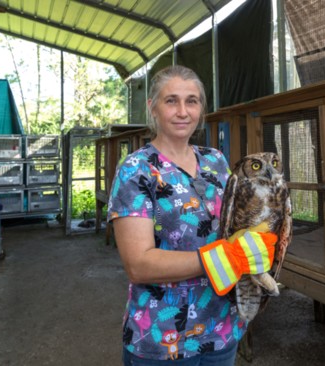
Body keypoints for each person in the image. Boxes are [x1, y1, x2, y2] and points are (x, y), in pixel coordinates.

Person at [107, 65, 277, 365]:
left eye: (192, 101)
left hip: (223, 328)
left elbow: (236, 225)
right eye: (171, 100)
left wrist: (259, 240)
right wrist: (221, 258)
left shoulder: (215, 161)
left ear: (201, 109)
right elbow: (138, 265)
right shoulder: (136, 170)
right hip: (163, 338)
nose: (183, 111)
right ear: (153, 108)